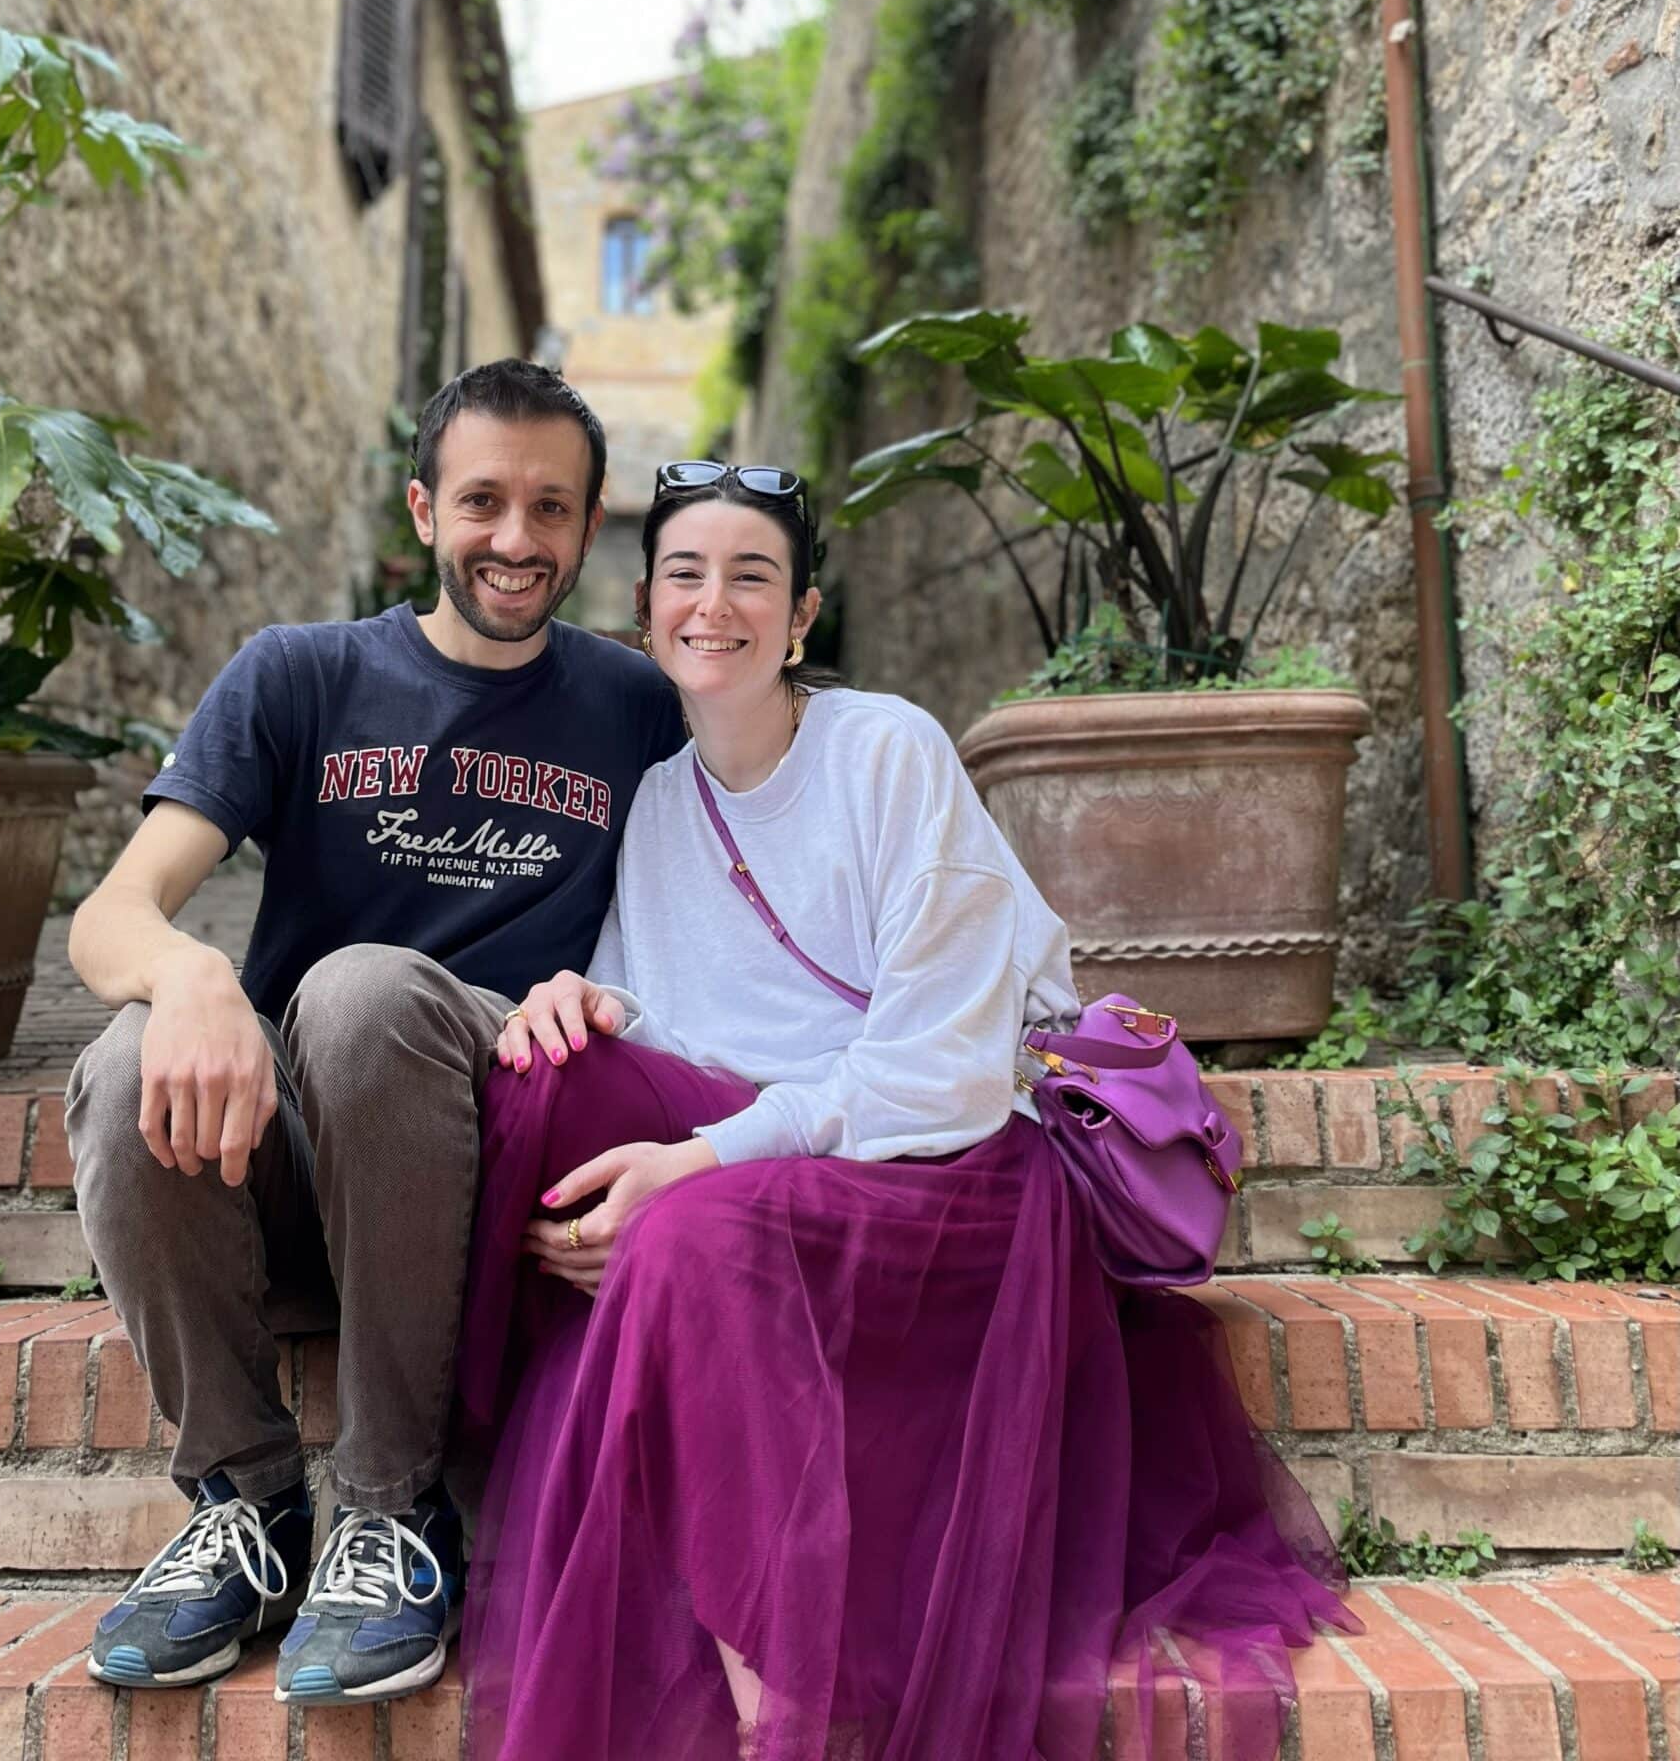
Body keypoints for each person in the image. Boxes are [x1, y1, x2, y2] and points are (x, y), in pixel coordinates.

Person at [454, 462, 1354, 1761]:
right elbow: (658, 1017)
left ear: (802, 617)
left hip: (953, 1169)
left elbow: (943, 1073)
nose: (715, 605)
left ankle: (780, 1698)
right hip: (777, 1144)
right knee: (543, 1079)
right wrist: (574, 1004)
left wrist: (694, 1165)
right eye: (686, 576)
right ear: (645, 610)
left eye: (752, 577)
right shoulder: (656, 803)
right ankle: (440, 1465)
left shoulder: (887, 751)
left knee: (690, 1235)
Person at [64, 360, 683, 1707]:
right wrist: (192, 979)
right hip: (303, 1162)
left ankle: (395, 1509)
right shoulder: (302, 675)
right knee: (120, 1064)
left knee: (358, 992)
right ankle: (245, 1501)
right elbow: (111, 915)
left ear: (591, 527)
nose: (516, 537)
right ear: (421, 509)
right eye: (482, 500)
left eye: (552, 508)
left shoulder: (637, 707)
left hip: (495, 1154)